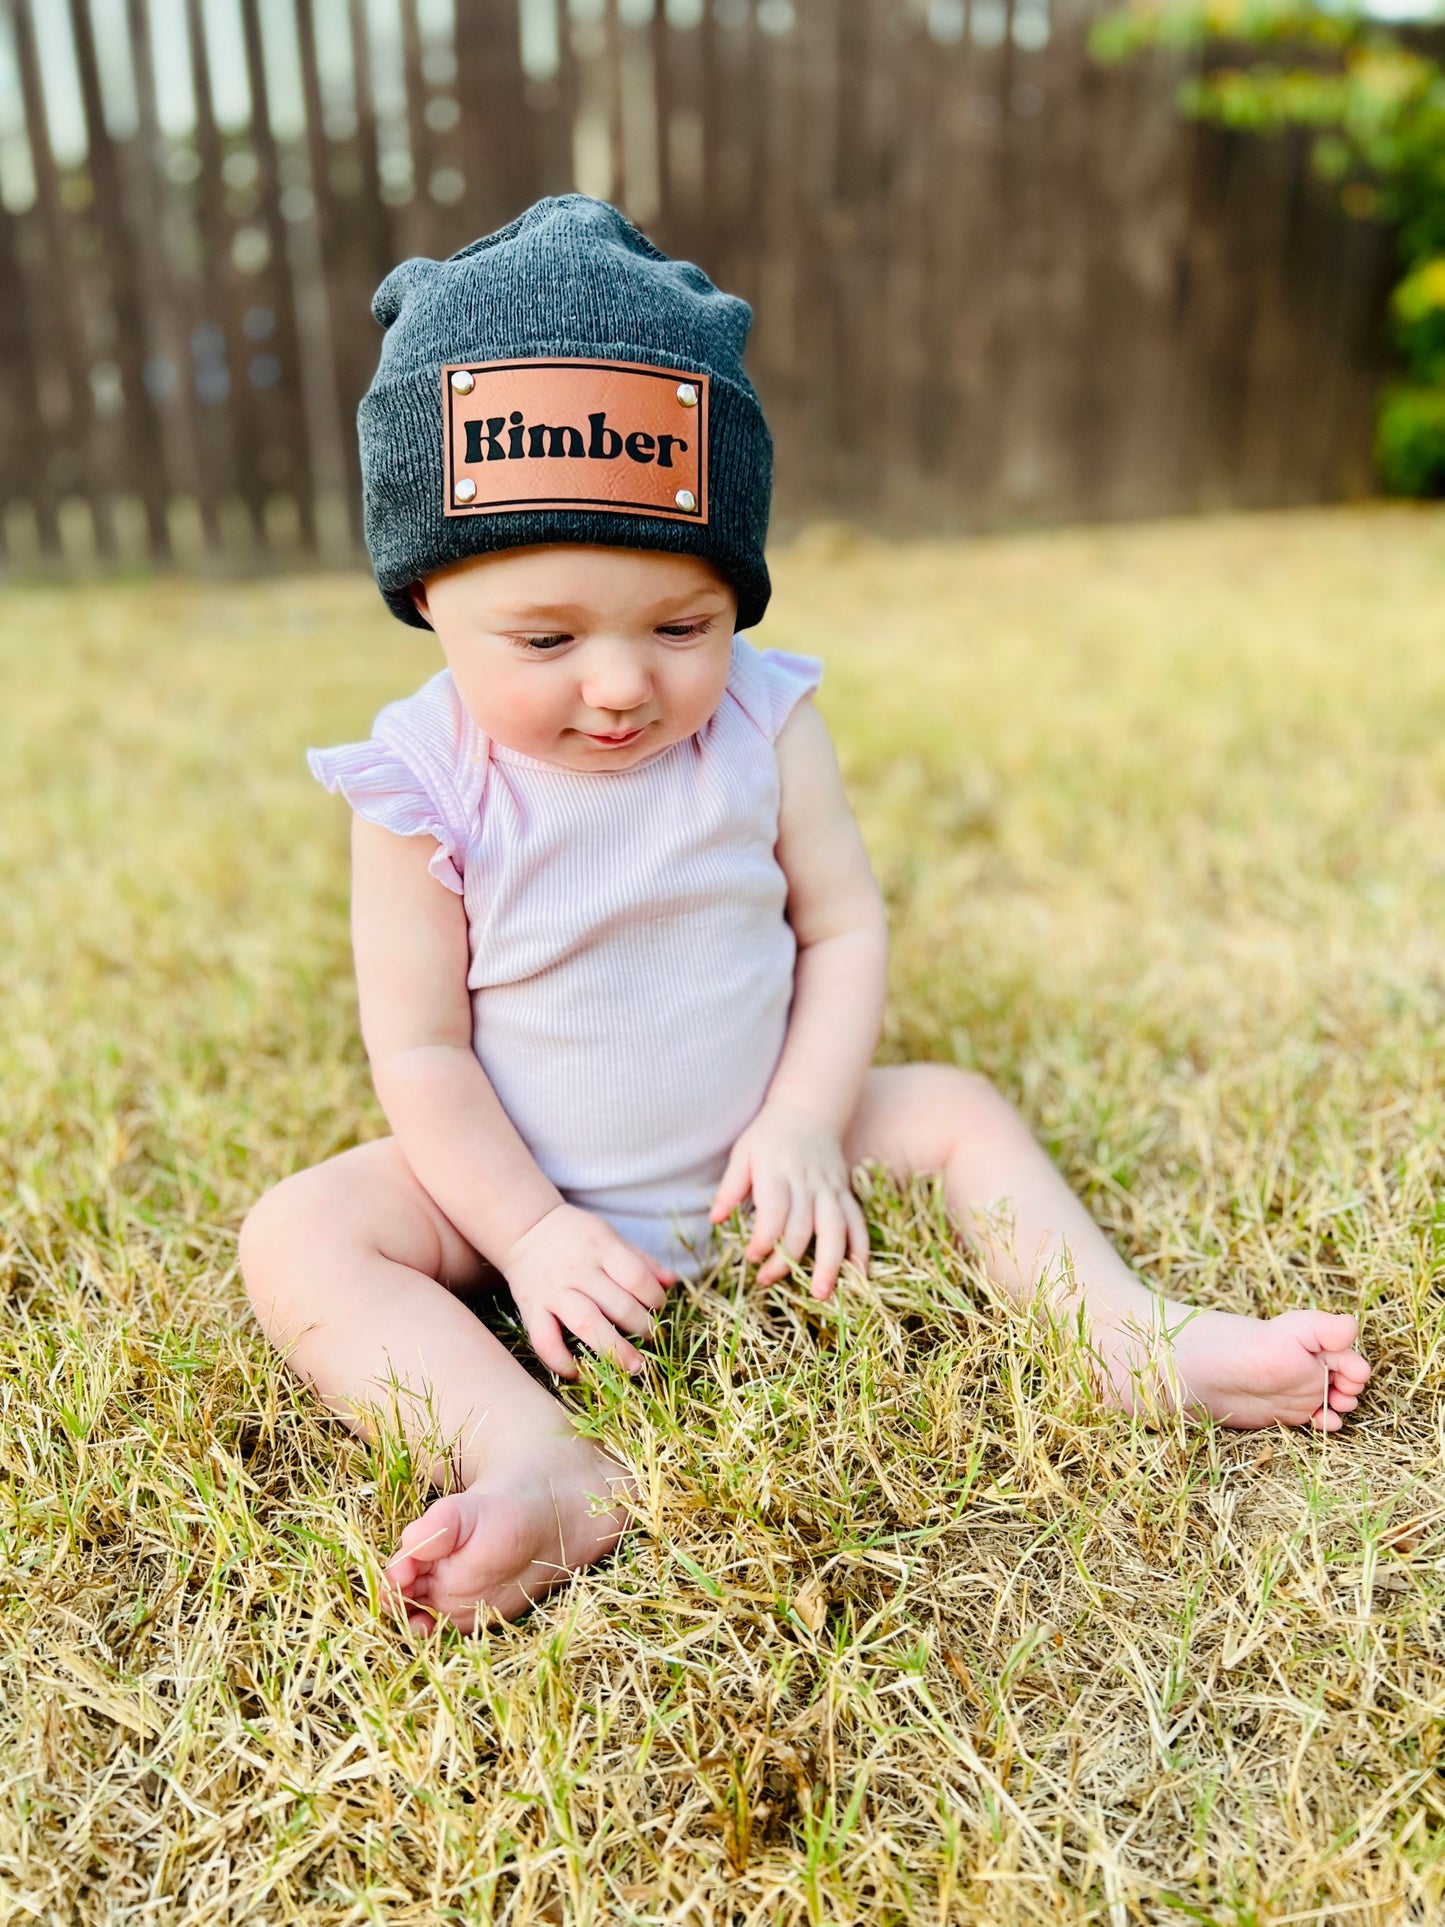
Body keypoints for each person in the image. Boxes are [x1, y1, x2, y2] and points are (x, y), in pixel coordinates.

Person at [237, 196, 1371, 1636]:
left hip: (752, 1141)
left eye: (681, 625)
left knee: (955, 1106)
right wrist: (524, 1234)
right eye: (544, 638)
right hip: (524, 1180)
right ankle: (527, 1449)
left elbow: (840, 933)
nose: (619, 685)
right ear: (429, 601)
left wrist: (798, 1123)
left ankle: (1124, 1336)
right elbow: (421, 1054)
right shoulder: (416, 786)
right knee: (301, 1232)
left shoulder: (765, 726)